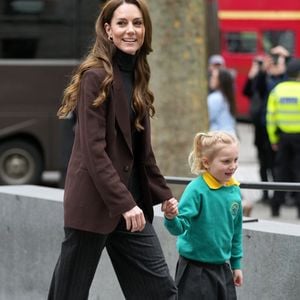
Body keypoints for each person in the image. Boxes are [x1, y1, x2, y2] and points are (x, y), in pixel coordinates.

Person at [47, 1, 178, 299]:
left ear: (145, 28)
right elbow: (93, 151)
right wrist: (124, 203)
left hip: (130, 209)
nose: (130, 30)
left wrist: (165, 195)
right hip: (94, 205)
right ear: (108, 29)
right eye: (122, 23)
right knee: (69, 293)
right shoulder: (95, 76)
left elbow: (142, 152)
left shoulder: (139, 75)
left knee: (160, 292)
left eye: (137, 23)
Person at [164, 131, 243, 299]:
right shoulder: (196, 190)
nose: (233, 166)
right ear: (206, 163)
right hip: (195, 270)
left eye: (235, 160)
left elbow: (236, 232)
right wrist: (171, 217)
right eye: (226, 161)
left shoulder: (234, 190)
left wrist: (236, 265)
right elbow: (180, 227)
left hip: (223, 268)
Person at [243, 45, 290, 203]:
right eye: (274, 58)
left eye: (279, 58)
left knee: (280, 164)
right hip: (262, 128)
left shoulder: (287, 79)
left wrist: (287, 59)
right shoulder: (265, 79)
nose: (276, 62)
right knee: (264, 163)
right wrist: (261, 70)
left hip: (279, 130)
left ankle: (281, 195)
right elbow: (252, 90)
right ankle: (265, 193)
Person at [266, 58, 300, 218]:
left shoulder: (277, 90)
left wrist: (273, 139)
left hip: (283, 138)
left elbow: (270, 117)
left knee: (280, 173)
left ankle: (275, 208)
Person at [207, 67, 237, 136]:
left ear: (221, 81)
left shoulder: (215, 98)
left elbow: (207, 118)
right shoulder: (227, 96)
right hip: (231, 136)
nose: (211, 79)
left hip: (219, 138)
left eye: (214, 77)